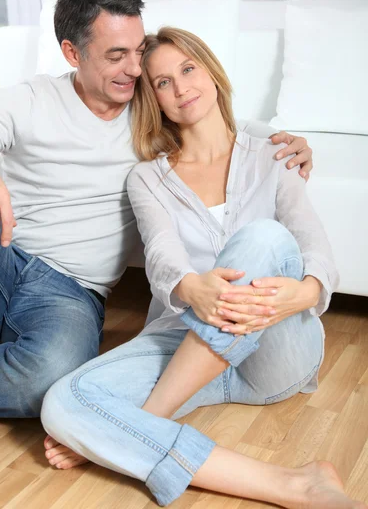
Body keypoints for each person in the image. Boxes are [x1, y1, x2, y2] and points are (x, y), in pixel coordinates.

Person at [40, 28, 364, 509]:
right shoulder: (147, 177)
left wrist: (307, 293)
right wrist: (193, 289)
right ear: (154, 100)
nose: (180, 88)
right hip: (182, 345)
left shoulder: (275, 155)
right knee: (61, 402)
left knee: (262, 237)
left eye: (188, 70)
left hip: (274, 351)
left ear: (211, 72)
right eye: (162, 83)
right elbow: (162, 256)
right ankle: (293, 484)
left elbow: (311, 239)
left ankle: (145, 422)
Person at [0, 0, 313, 419]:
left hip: (70, 293)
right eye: (117, 55)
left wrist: (288, 141)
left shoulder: (150, 111)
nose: (135, 68)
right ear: (73, 53)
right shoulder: (31, 98)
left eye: (137, 51)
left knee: (45, 379)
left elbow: (219, 121)